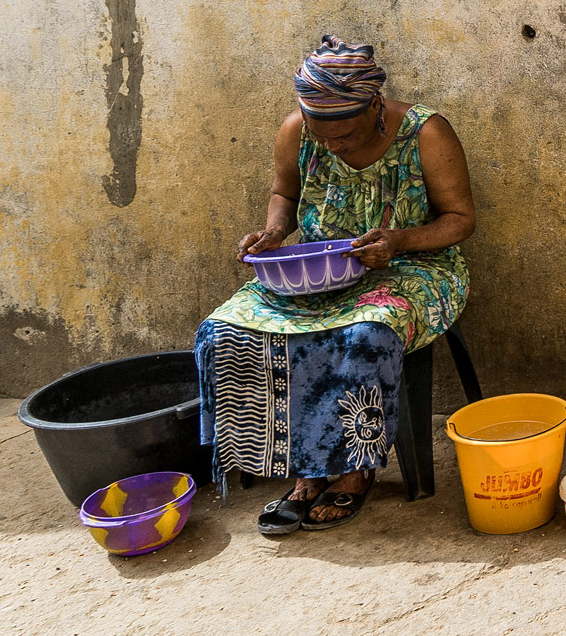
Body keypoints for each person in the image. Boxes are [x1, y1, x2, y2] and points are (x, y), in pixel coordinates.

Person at [196, 36, 476, 535]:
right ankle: (303, 467)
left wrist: (400, 240)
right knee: (224, 331)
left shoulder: (426, 133)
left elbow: (460, 220)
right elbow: (285, 191)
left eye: (344, 135)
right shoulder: (296, 131)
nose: (332, 146)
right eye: (320, 135)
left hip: (412, 268)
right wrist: (274, 233)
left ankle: (354, 468)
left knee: (365, 333)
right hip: (316, 268)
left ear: (375, 106)